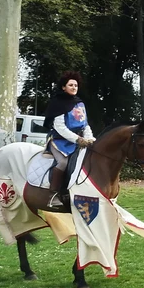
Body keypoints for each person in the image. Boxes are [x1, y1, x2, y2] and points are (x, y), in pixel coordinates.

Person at [44, 71, 95, 207]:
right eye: (70, 85)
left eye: (76, 85)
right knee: (63, 162)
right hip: (59, 141)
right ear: (63, 87)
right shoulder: (58, 103)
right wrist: (78, 140)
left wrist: (90, 139)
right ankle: (53, 195)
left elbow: (85, 125)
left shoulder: (79, 103)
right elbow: (60, 127)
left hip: (78, 141)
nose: (74, 87)